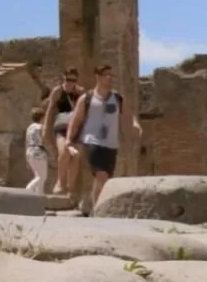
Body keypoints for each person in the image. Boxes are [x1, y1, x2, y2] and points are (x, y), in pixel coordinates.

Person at [66, 63, 142, 210]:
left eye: (110, 75)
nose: (109, 78)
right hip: (91, 141)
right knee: (101, 175)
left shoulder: (118, 98)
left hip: (111, 144)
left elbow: (128, 114)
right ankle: (99, 210)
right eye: (106, 75)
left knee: (104, 179)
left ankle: (91, 204)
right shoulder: (87, 98)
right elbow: (76, 120)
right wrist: (69, 139)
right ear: (98, 77)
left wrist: (135, 125)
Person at [42, 68, 84, 196]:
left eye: (73, 80)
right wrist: (45, 129)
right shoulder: (58, 91)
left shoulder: (80, 92)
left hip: (76, 128)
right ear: (63, 78)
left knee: (76, 156)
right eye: (68, 79)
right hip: (61, 127)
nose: (70, 82)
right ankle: (60, 182)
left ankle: (70, 188)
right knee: (64, 152)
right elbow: (50, 110)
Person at [24, 106, 49, 194]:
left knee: (38, 175)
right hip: (39, 151)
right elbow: (44, 140)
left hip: (30, 151)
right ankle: (27, 190)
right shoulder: (41, 127)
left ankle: (38, 195)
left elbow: (27, 141)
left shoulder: (29, 127)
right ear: (42, 117)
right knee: (42, 177)